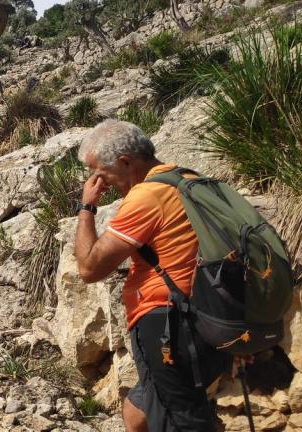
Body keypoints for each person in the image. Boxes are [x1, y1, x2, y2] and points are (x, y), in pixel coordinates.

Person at [73, 119, 229, 432]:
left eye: (101, 174)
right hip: (208, 318)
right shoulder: (188, 179)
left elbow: (90, 268)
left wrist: (87, 207)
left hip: (168, 324)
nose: (99, 183)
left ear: (125, 162)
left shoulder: (146, 197)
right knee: (138, 409)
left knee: (181, 421)